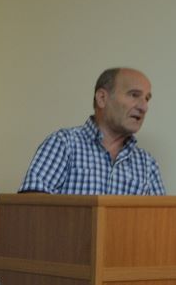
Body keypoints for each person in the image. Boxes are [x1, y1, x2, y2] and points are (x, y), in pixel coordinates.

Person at [19, 67, 166, 195]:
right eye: (134, 95)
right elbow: (31, 205)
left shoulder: (147, 164)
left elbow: (162, 217)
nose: (144, 107)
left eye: (147, 99)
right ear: (102, 98)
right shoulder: (64, 144)